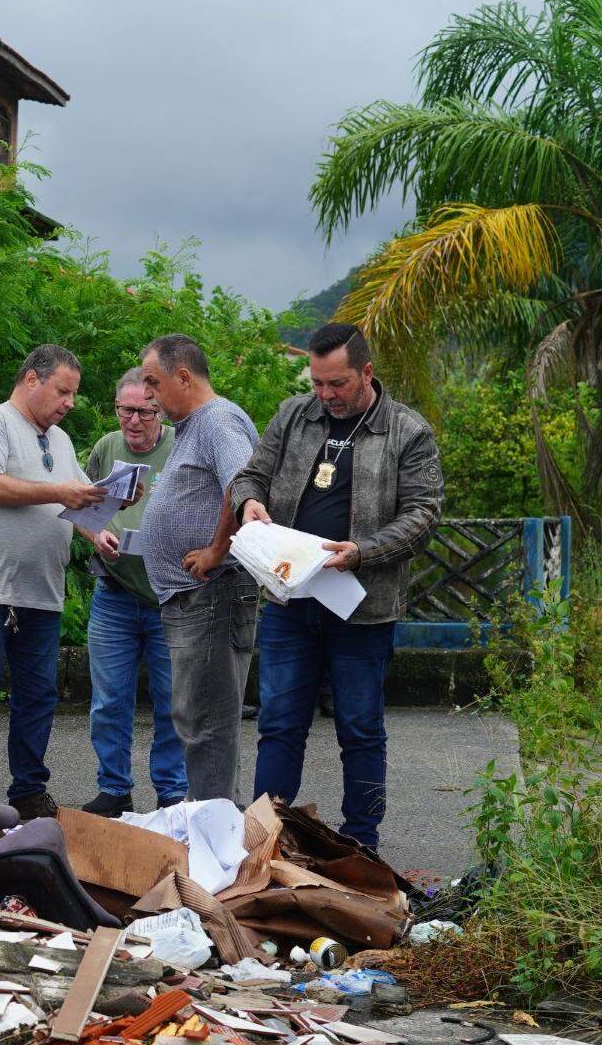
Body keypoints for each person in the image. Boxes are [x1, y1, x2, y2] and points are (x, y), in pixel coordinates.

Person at [230, 322, 443, 850]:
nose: (325, 395)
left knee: (360, 728)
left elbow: (424, 512)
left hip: (362, 606)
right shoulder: (293, 414)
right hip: (289, 595)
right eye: (318, 383)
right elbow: (251, 474)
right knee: (279, 722)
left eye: (337, 384)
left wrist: (364, 552)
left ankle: (361, 841)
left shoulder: (406, 431)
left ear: (366, 373)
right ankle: (267, 835)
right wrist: (248, 503)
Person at [0, 345, 107, 818]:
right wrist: (61, 492)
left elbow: (79, 502)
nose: (69, 402)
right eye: (63, 391)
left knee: (37, 696)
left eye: (73, 394)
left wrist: (99, 531)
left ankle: (29, 790)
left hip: (41, 590)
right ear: (32, 380)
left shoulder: (60, 440)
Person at [133, 333, 259, 804]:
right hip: (194, 599)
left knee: (206, 724)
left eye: (153, 382)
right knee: (200, 721)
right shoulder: (194, 427)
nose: (148, 394)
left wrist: (216, 550)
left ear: (183, 376)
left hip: (212, 593)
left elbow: (242, 481)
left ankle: (215, 839)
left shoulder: (217, 421)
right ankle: (216, 823)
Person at [76, 369, 188, 816]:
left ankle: (172, 793)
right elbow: (82, 508)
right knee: (108, 701)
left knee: (172, 702)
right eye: (126, 410)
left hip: (169, 595)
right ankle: (114, 788)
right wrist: (95, 535)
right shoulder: (105, 448)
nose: (134, 420)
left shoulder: (182, 446)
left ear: (159, 409)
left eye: (144, 411)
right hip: (115, 591)